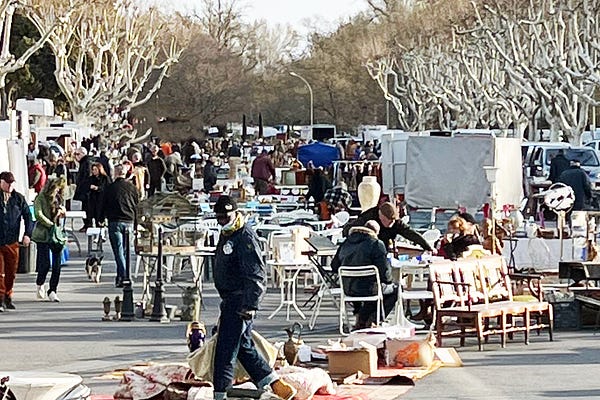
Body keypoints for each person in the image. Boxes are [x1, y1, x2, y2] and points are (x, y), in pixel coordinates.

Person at [211, 195, 296, 400]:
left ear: (235, 214)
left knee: (226, 349)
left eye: (225, 217)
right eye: (219, 218)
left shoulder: (244, 236)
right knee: (243, 347)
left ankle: (220, 393)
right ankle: (273, 382)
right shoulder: (227, 233)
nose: (222, 221)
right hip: (230, 298)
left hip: (240, 299)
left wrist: (250, 304)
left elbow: (256, 274)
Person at [331, 220, 397, 330]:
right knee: (395, 289)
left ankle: (362, 319)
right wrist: (389, 280)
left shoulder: (346, 243)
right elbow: (385, 274)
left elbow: (334, 266)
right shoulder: (376, 244)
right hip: (369, 288)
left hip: (348, 288)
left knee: (365, 286)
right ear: (375, 232)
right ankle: (373, 319)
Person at [0, 172, 34, 311]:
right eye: (7, 183)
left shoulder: (18, 198)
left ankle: (8, 296)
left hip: (12, 241)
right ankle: (0, 299)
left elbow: (28, 217)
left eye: (11, 183)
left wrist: (27, 234)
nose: (9, 186)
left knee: (11, 272)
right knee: (0, 273)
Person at [342, 202, 434, 253]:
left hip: (383, 249)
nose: (391, 224)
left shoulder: (396, 223)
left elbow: (411, 234)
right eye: (389, 221)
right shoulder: (368, 216)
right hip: (364, 249)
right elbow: (347, 229)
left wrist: (428, 247)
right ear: (381, 216)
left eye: (393, 221)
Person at [102, 165, 139, 288]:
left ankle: (124, 276)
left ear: (115, 173)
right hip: (129, 221)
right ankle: (121, 277)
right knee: (126, 251)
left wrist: (101, 218)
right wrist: (137, 223)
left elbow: (104, 204)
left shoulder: (110, 188)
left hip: (115, 221)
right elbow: (137, 206)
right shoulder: (132, 188)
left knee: (118, 252)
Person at [32, 177, 67, 302]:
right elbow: (38, 214)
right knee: (45, 264)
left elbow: (62, 211)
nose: (57, 191)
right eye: (56, 188)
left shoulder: (58, 198)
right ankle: (40, 283)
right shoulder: (40, 198)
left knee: (57, 265)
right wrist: (50, 224)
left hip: (56, 235)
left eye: (59, 189)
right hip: (43, 235)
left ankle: (53, 290)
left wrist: (62, 212)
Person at [73, 147, 95, 231]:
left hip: (86, 191)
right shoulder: (83, 162)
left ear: (83, 154)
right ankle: (87, 224)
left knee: (87, 208)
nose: (76, 156)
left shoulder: (87, 162)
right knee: (85, 207)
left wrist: (84, 186)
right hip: (84, 189)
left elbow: (87, 176)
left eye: (77, 154)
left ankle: (88, 225)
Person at [88, 162, 111, 227]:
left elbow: (107, 187)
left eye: (95, 169)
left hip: (102, 200)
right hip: (93, 200)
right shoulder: (91, 178)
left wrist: (97, 188)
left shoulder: (105, 178)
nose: (94, 171)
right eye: (93, 169)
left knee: (100, 216)